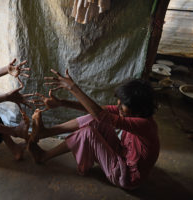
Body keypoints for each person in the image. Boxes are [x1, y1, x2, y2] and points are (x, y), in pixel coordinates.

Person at [28, 69, 159, 190]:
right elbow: (96, 111)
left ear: (138, 108)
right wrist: (61, 103)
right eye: (119, 100)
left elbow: (100, 115)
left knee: (88, 132)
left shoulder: (145, 125)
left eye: (123, 103)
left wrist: (73, 88)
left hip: (127, 176)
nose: (118, 104)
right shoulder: (130, 113)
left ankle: (43, 156)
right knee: (94, 119)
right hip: (122, 153)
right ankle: (47, 132)